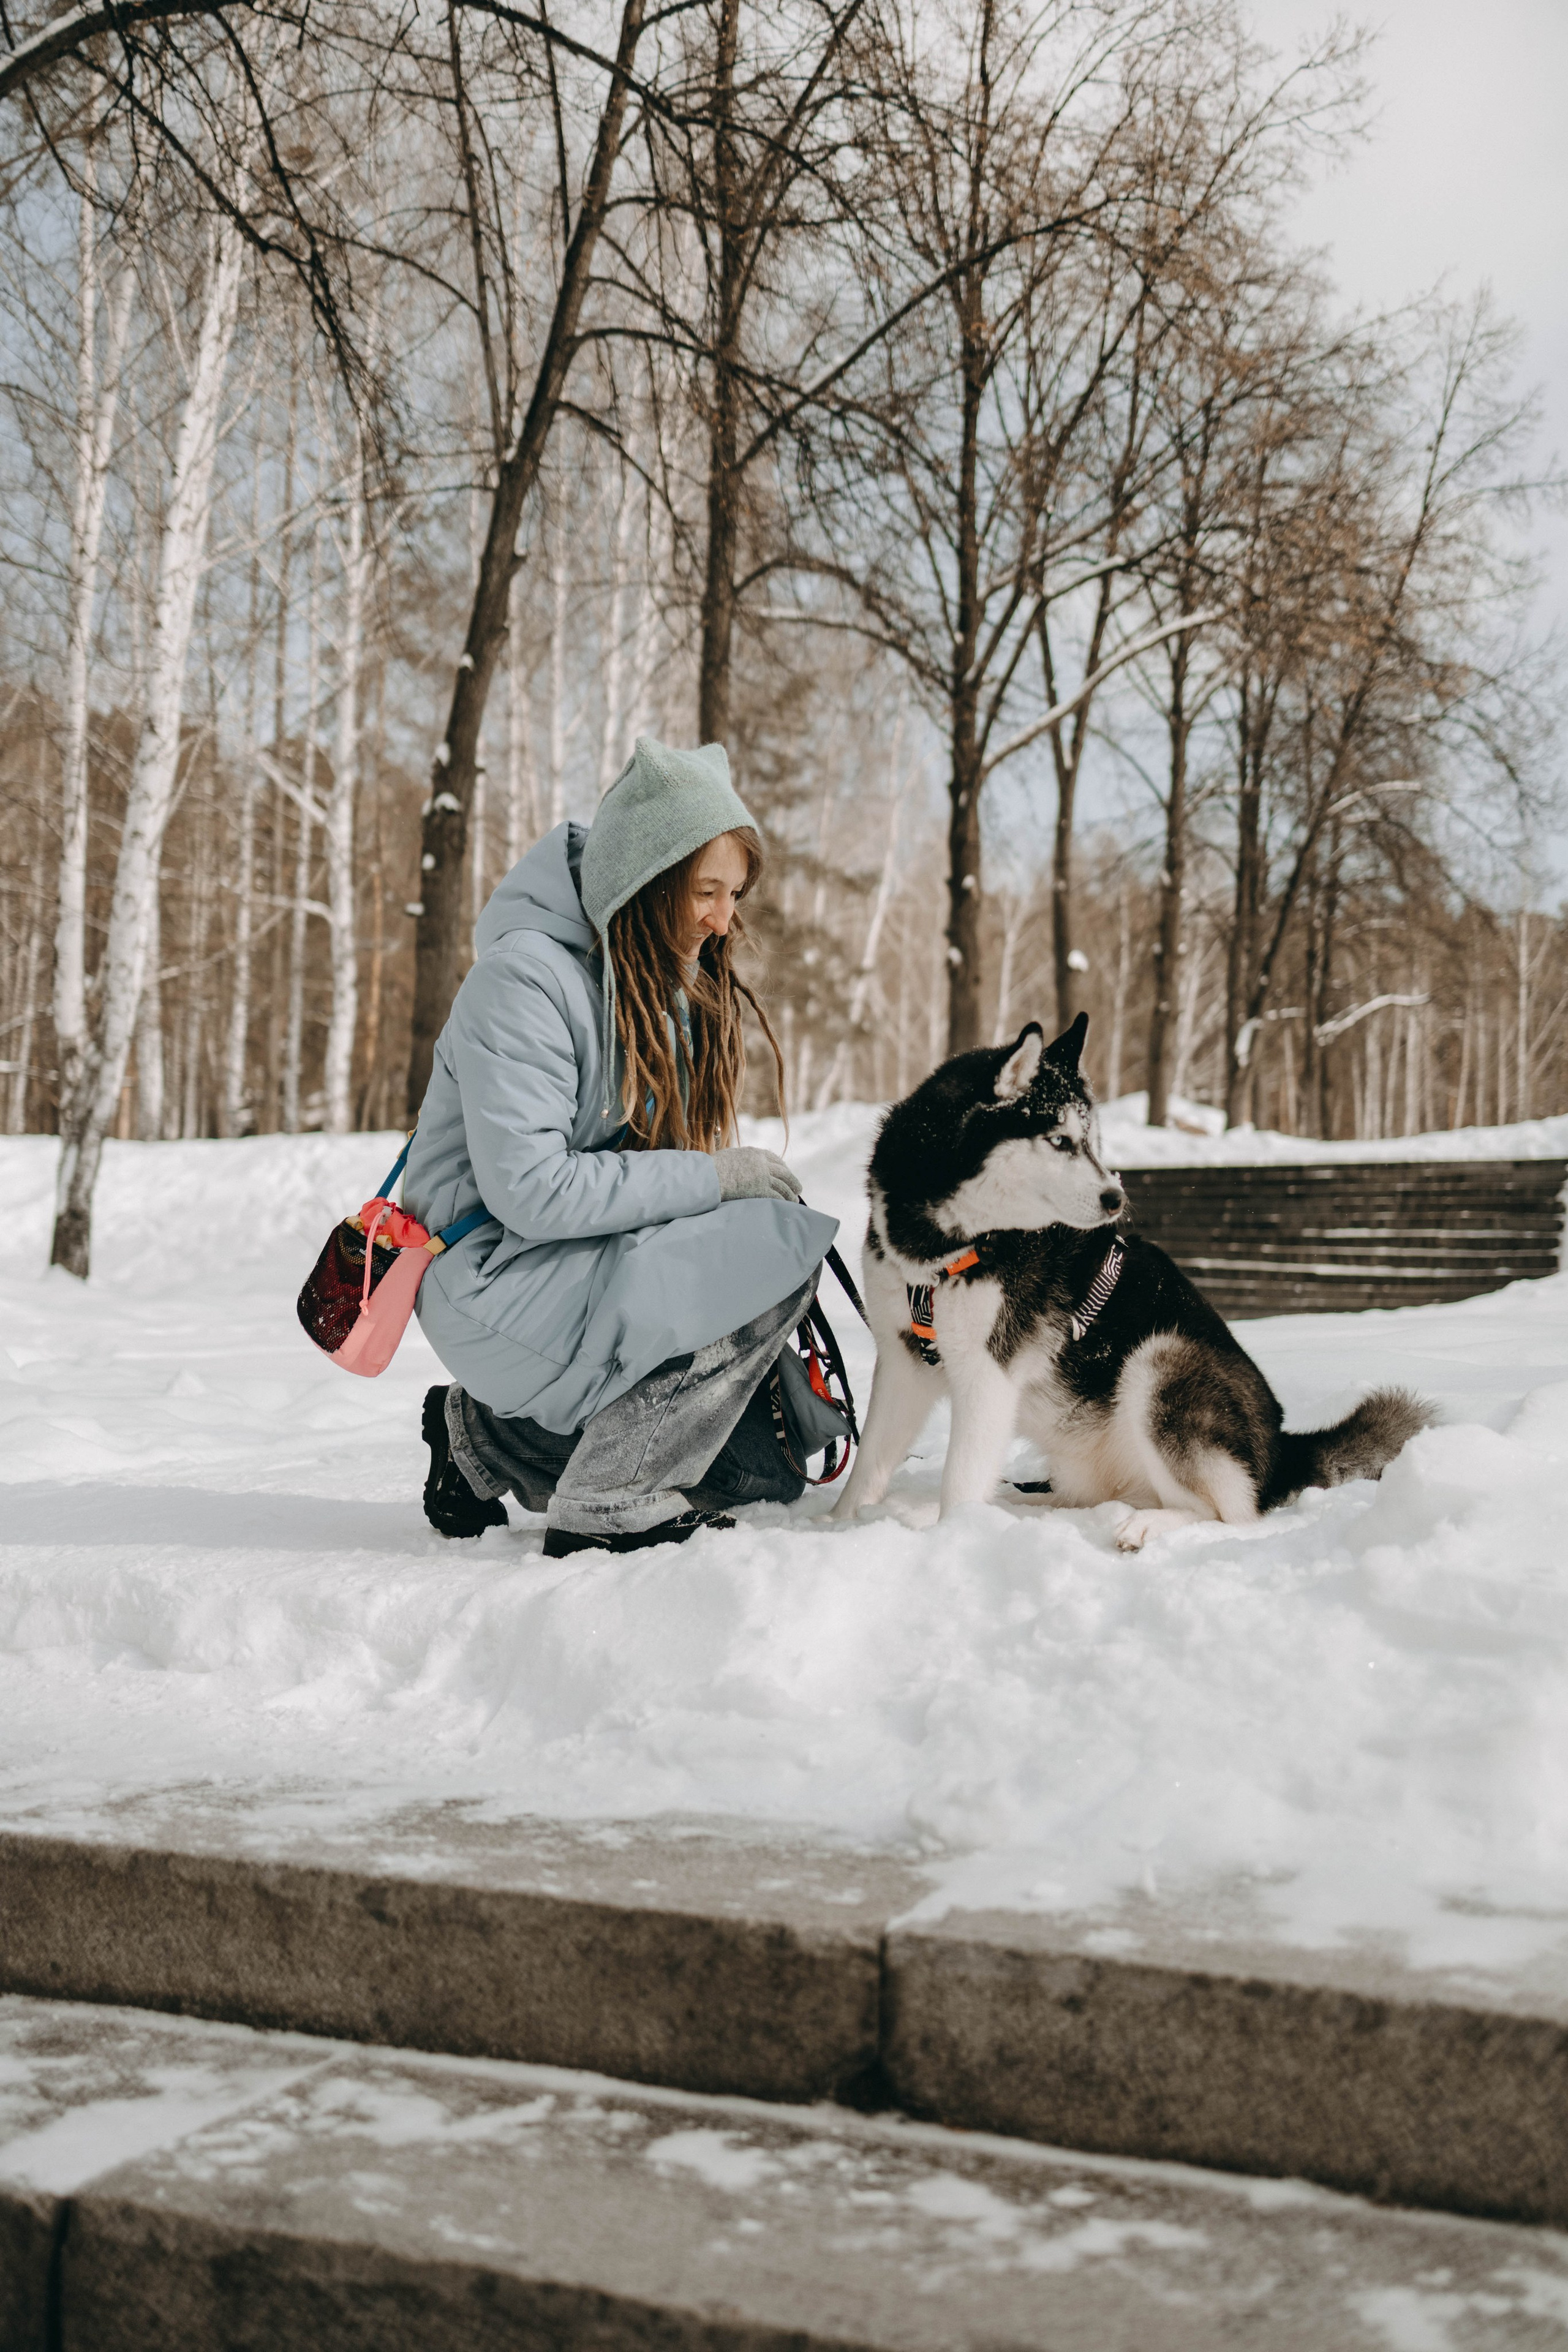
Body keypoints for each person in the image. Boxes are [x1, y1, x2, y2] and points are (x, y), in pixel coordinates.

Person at [404, 736, 837, 1556]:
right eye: (706, 890)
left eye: (734, 892)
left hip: (566, 1267)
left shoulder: (650, 976)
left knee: (758, 1468)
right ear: (644, 877)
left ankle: (481, 1439)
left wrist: (718, 1188)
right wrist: (717, 1181)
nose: (724, 917)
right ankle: (607, 1500)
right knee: (778, 1246)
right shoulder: (523, 982)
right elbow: (530, 1190)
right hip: (490, 1273)